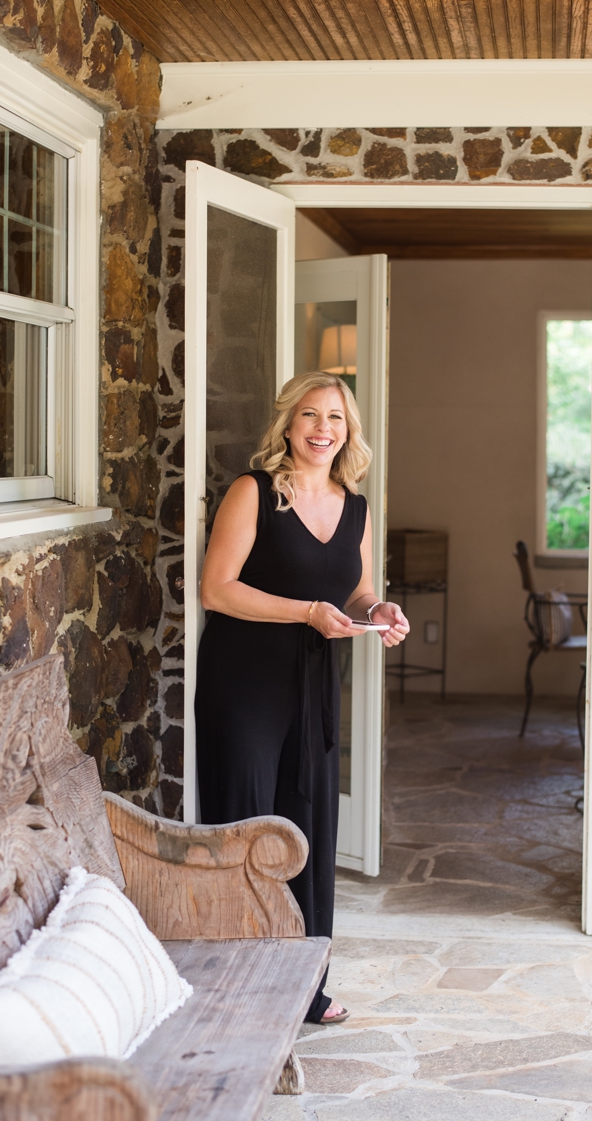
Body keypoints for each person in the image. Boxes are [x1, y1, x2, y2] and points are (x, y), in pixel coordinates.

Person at [196, 371, 410, 1025]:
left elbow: (357, 589)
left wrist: (378, 609)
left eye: (336, 419)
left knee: (309, 825)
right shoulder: (253, 493)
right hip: (244, 680)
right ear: (287, 424)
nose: (323, 429)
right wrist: (306, 611)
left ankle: (306, 983)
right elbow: (217, 589)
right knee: (247, 822)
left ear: (349, 432)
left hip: (314, 682)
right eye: (311, 415)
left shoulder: (358, 507)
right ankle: (236, 979)